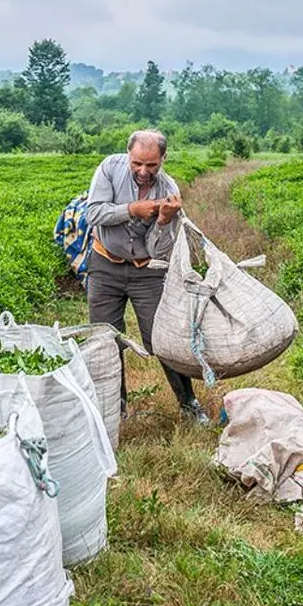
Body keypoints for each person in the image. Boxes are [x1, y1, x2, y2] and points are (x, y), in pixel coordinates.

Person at [84, 129, 210, 424]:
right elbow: (94, 214)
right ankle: (116, 407)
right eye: (137, 163)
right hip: (105, 265)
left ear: (163, 159)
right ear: (129, 156)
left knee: (163, 339)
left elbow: (159, 249)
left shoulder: (169, 190)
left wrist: (164, 221)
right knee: (105, 340)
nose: (143, 171)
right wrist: (132, 210)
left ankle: (189, 404)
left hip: (146, 272)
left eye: (151, 165)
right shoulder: (109, 169)